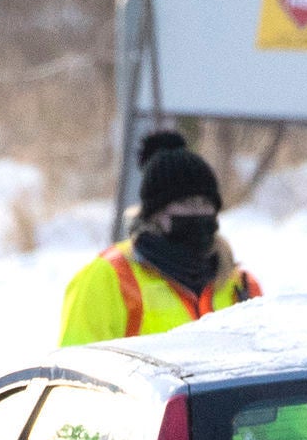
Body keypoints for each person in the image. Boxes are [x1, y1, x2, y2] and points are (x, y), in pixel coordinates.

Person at [60, 135, 263, 344]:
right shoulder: (107, 278)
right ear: (155, 213)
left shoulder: (240, 286)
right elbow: (75, 368)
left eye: (206, 203)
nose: (199, 212)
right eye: (186, 203)